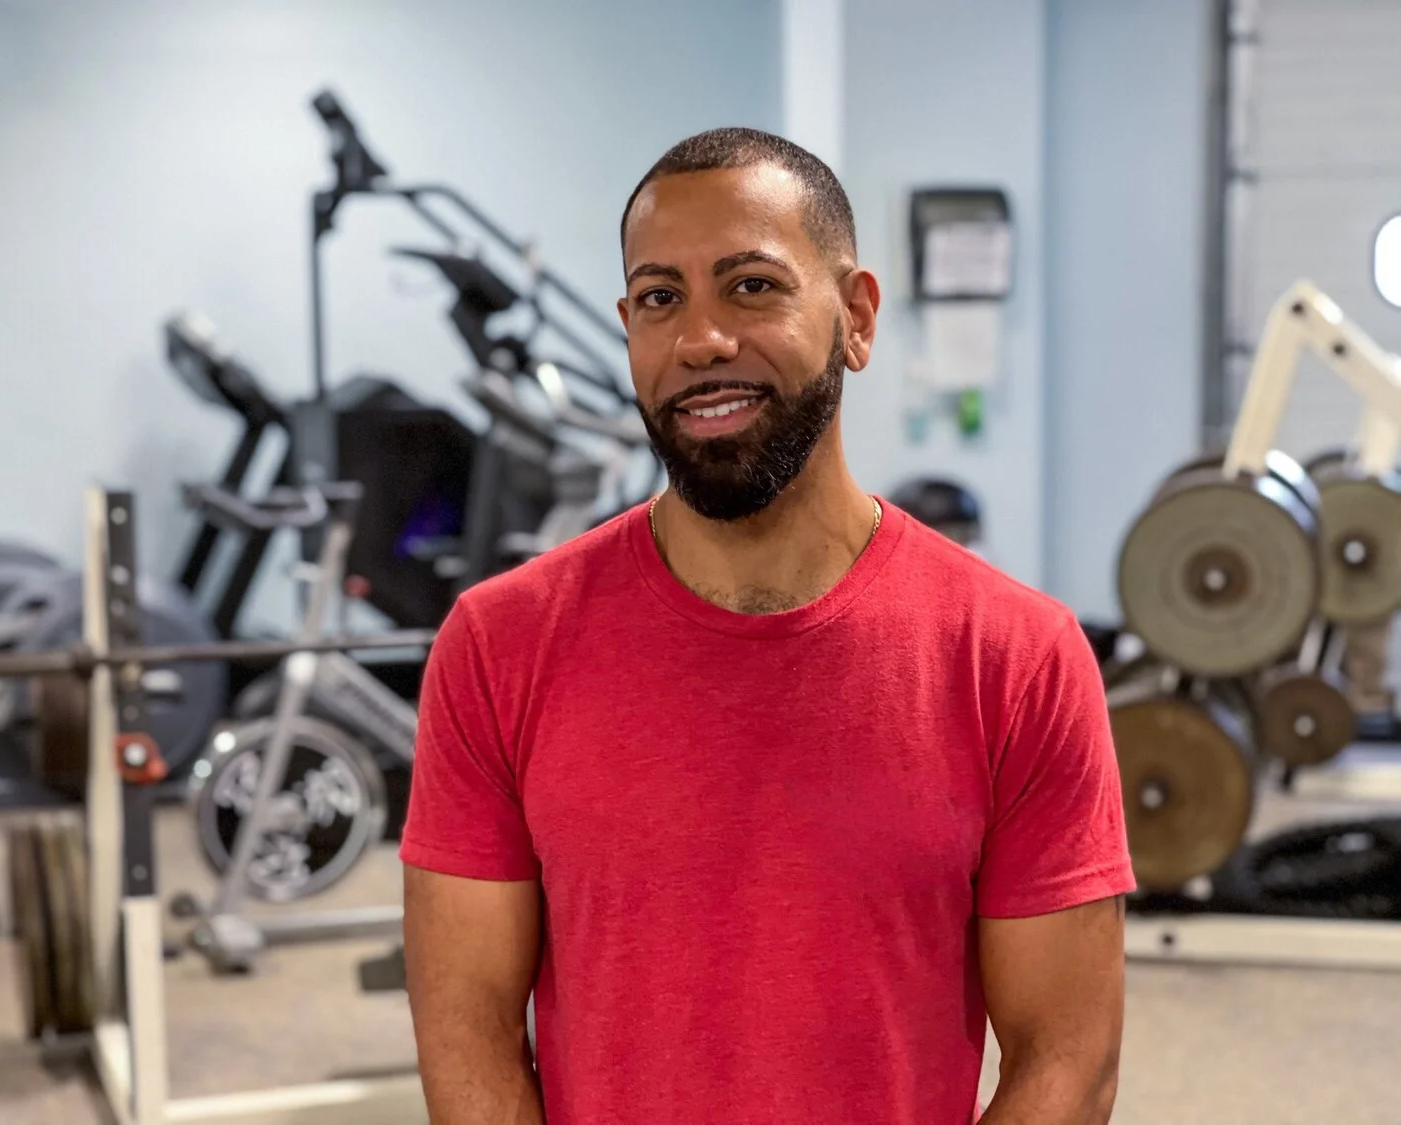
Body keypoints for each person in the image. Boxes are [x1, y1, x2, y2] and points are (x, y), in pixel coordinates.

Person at [399, 127, 1135, 1125]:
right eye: (661, 299)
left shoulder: (1018, 659)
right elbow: (469, 1032)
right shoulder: (497, 646)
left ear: (857, 318)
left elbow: (1067, 1060)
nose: (701, 339)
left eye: (751, 286)